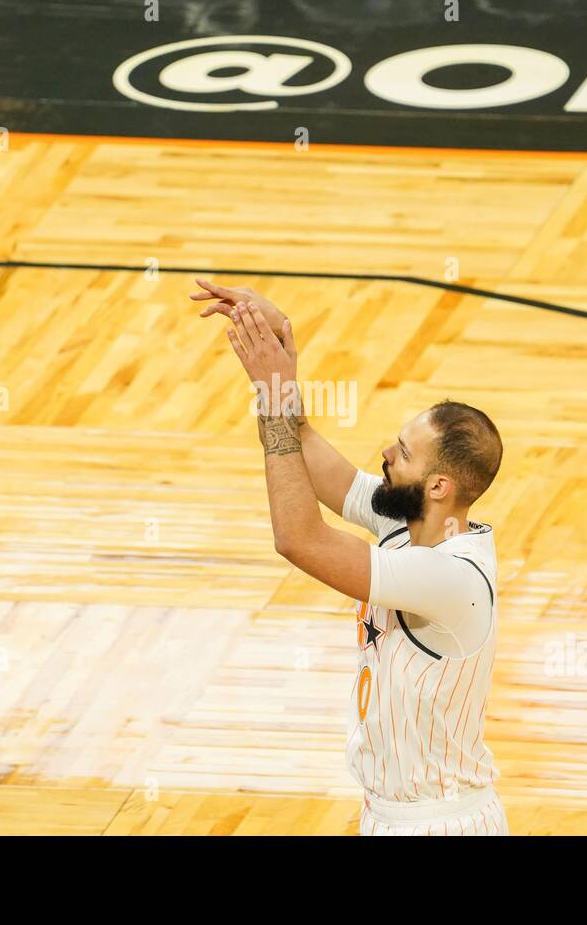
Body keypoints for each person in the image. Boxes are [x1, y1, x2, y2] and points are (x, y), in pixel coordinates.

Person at [191, 278, 509, 836]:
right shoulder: (407, 520)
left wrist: (272, 396)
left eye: (403, 453)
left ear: (438, 487)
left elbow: (298, 538)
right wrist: (280, 353)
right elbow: (307, 447)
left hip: (439, 825)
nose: (386, 454)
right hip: (392, 816)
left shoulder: (450, 579)